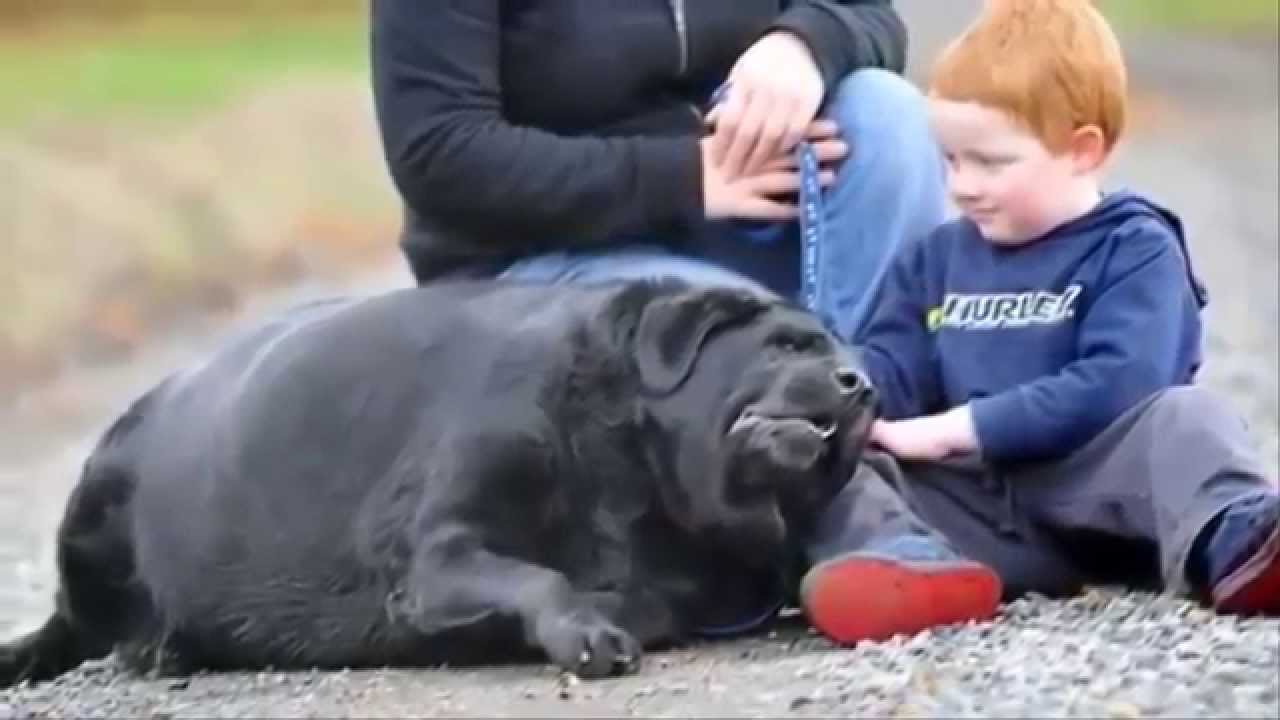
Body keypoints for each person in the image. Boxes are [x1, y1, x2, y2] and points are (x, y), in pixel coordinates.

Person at [798, 0, 1280, 646]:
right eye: (951, 161)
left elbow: (1122, 382)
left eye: (991, 163)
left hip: (1106, 497)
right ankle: (907, 564)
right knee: (850, 467)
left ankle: (1238, 541)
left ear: (1082, 151)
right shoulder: (937, 260)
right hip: (986, 512)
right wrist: (837, 397)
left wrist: (963, 427)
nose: (964, 185)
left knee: (1189, 418)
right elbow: (893, 368)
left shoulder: (1133, 246)